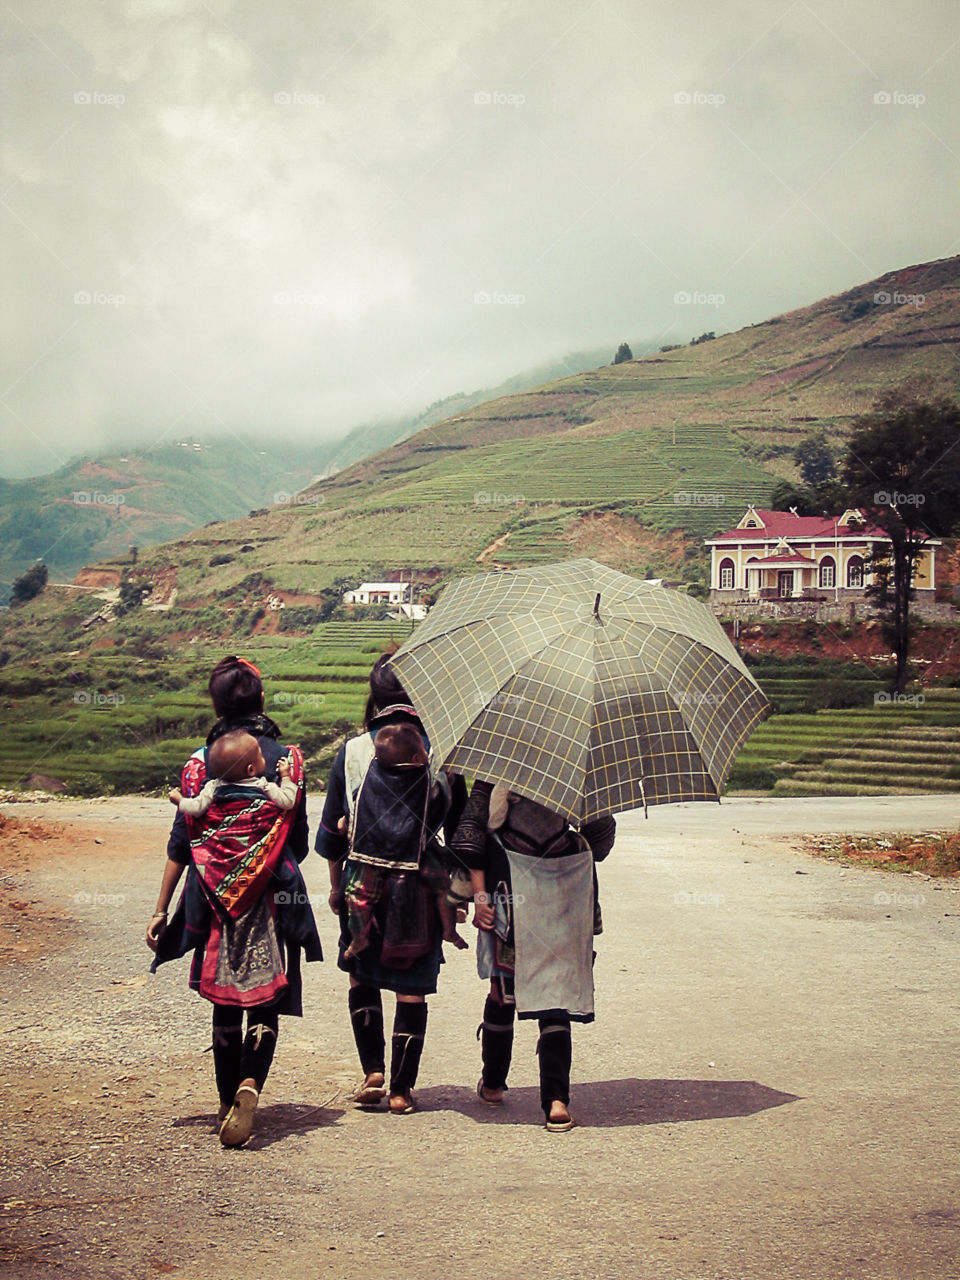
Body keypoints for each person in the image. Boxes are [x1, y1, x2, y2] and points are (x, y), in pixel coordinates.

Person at [146, 655, 322, 1148]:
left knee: (223, 998)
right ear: (261, 700)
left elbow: (181, 843)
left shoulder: (200, 765)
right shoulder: (285, 761)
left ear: (215, 705)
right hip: (271, 894)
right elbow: (301, 841)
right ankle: (251, 1082)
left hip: (213, 899)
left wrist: (161, 910)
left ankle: (226, 1100)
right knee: (265, 995)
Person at [316, 654, 466, 1115]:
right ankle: (401, 1089)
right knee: (411, 985)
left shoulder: (354, 751)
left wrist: (338, 888)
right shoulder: (443, 752)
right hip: (419, 889)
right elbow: (459, 831)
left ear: (374, 697)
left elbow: (330, 836)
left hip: (363, 879)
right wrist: (456, 894)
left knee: (362, 972)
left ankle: (373, 1071)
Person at [450, 780, 615, 1132]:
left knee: (503, 992)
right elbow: (601, 843)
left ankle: (492, 1084)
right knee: (556, 996)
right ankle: (556, 1101)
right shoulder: (578, 771)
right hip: (564, 892)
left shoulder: (496, 761)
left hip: (506, 887)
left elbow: (470, 837)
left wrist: (478, 896)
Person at [169, 729, 297, 815]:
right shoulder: (263, 785)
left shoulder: (213, 787)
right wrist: (285, 776)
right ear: (251, 769)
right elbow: (288, 802)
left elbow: (196, 808)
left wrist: (180, 801)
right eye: (260, 755)